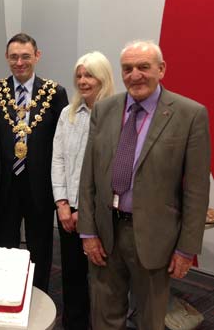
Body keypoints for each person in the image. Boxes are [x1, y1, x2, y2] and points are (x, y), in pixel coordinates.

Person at [78, 40, 210, 330]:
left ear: (161, 69)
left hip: (155, 239)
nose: (135, 75)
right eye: (127, 68)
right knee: (104, 316)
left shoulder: (190, 114)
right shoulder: (104, 110)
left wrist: (187, 249)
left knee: (150, 319)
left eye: (143, 67)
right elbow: (88, 175)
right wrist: (87, 231)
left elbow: (197, 190)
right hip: (105, 233)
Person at [0, 33, 68, 292]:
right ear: (7, 58)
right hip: (3, 184)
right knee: (4, 244)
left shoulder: (54, 93)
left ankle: (38, 295)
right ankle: (5, 294)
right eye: (14, 57)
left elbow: (61, 144)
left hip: (40, 184)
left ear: (37, 56)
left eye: (26, 56)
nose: (20, 62)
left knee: (40, 246)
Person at [51, 51, 115, 330]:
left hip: (100, 211)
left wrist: (86, 211)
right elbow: (58, 159)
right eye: (79, 75)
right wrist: (62, 203)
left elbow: (113, 169)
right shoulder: (68, 113)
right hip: (68, 210)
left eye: (89, 75)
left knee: (103, 276)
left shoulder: (117, 115)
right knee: (72, 274)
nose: (82, 80)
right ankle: (74, 324)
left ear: (103, 78)